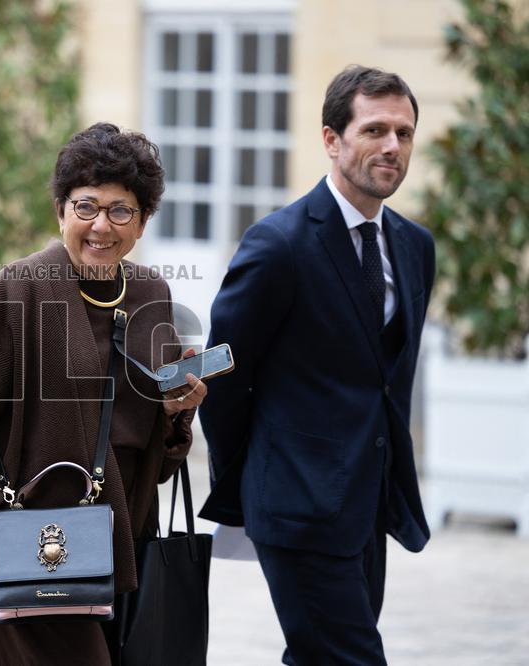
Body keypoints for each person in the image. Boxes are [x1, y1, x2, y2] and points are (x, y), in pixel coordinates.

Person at [0, 122, 207, 664]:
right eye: (86, 207)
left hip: (114, 552)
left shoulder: (152, 293)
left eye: (121, 210)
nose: (101, 225)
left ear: (143, 221)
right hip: (27, 551)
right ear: (60, 211)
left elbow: (153, 451)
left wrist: (173, 415)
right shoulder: (15, 291)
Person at [198, 65, 436, 664]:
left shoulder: (414, 246)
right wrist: (255, 481)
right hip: (296, 503)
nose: (392, 147)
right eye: (375, 130)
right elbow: (222, 374)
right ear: (331, 139)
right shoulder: (278, 245)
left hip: (370, 503)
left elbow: (386, 375)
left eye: (404, 134)